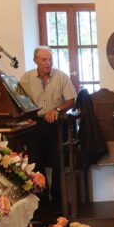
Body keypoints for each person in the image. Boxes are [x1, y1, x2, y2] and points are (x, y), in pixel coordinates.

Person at [20, 46, 77, 212]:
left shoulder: (61, 76)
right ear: (35, 61)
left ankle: (58, 201)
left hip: (56, 124)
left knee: (58, 163)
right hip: (35, 124)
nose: (48, 63)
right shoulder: (26, 78)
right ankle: (41, 201)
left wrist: (57, 109)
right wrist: (26, 115)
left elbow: (71, 99)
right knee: (36, 163)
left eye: (50, 59)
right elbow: (19, 100)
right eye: (43, 59)